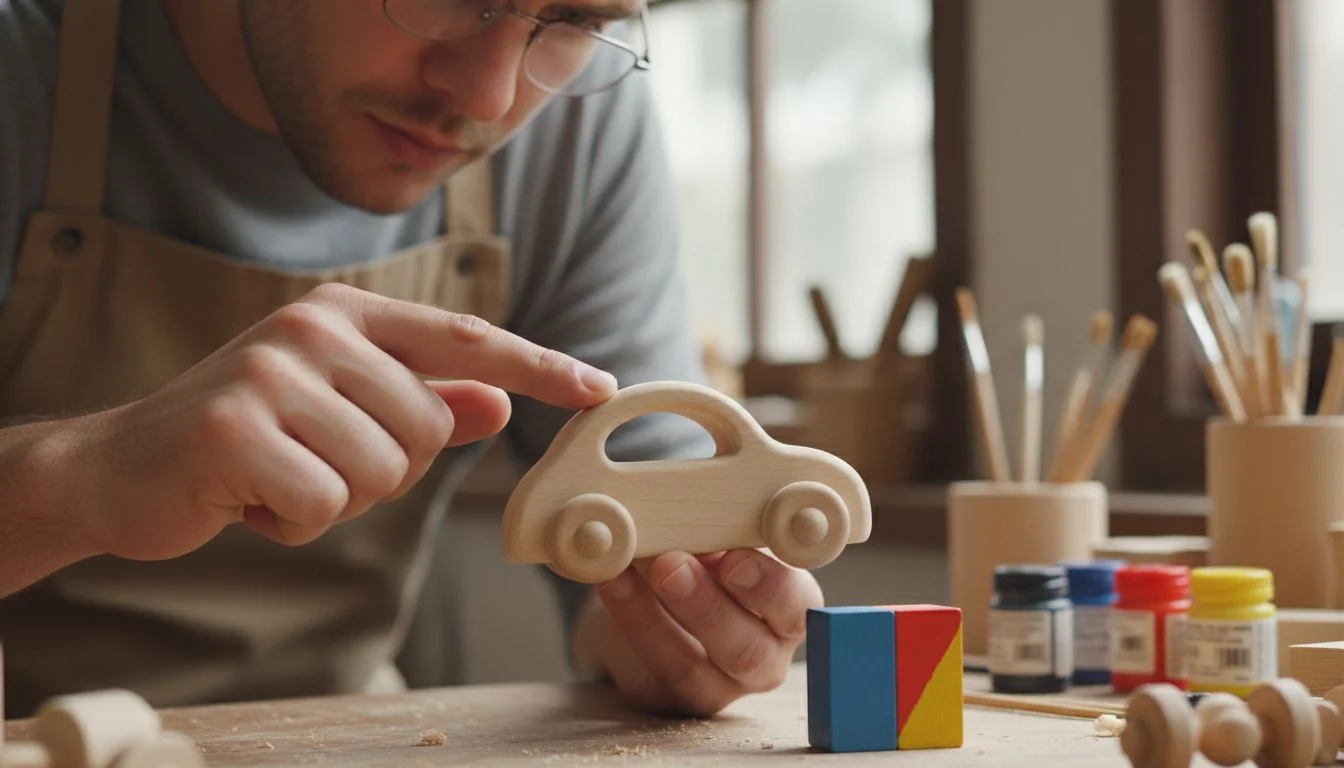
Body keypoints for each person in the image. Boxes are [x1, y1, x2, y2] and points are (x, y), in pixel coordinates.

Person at [0, 0, 825, 720]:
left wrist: (682, 634)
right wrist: (79, 478)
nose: (490, 97)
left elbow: (657, 534)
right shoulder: (19, 64)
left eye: (577, 19)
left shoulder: (578, 123)